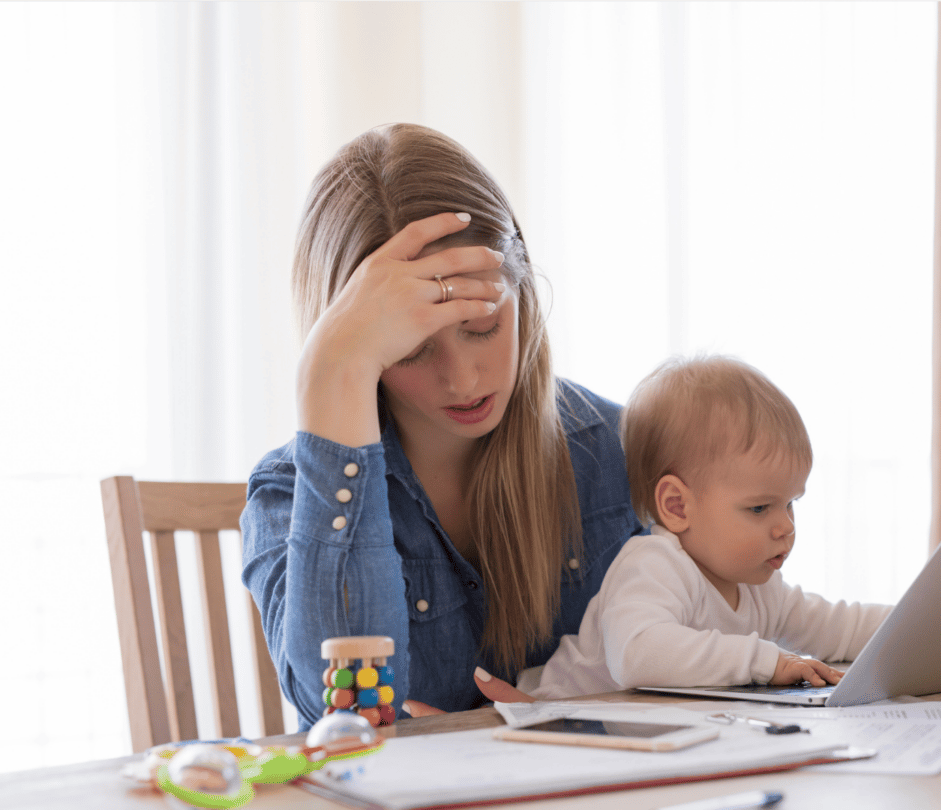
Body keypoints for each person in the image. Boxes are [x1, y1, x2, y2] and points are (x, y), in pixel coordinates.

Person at [240, 123, 643, 728]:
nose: (462, 379)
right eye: (411, 349)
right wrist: (327, 376)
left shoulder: (614, 448)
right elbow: (346, 717)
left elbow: (720, 655)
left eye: (482, 325)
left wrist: (561, 722)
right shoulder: (288, 494)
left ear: (522, 293)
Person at [487, 355, 892, 701]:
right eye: (759, 508)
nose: (785, 526)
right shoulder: (654, 565)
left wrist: (936, 622)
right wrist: (765, 661)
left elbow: (841, 627)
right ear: (677, 506)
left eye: (791, 503)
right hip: (556, 729)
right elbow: (637, 656)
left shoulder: (760, 586)